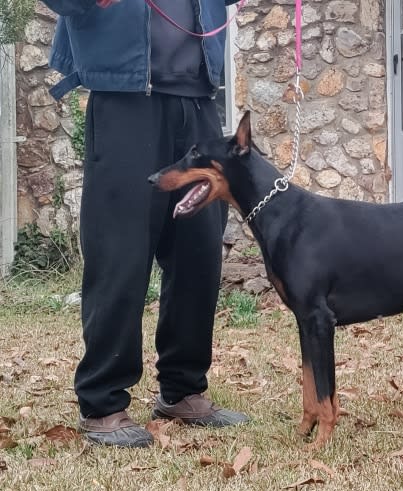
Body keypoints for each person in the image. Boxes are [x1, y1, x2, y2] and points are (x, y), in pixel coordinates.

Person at [42, 0, 250, 447]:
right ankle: (103, 403)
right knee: (120, 253)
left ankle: (183, 388)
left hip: (197, 99)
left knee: (199, 254)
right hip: (124, 102)